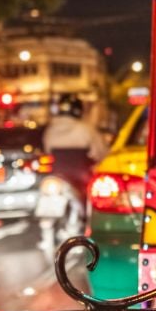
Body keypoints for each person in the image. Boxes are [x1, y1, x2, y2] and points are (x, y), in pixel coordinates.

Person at [39, 94, 108, 252]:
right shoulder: (85, 129)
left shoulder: (50, 130)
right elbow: (101, 152)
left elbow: (47, 150)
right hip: (80, 177)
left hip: (56, 176)